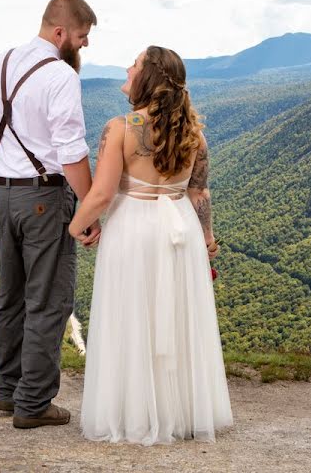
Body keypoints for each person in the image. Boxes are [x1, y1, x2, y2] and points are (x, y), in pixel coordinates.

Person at [71, 45, 234, 445]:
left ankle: (134, 414)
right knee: (176, 319)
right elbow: (199, 193)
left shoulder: (120, 127)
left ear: (149, 77)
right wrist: (208, 239)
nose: (128, 67)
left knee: (131, 315)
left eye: (135, 62)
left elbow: (102, 194)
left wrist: (76, 226)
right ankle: (180, 414)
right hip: (180, 229)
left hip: (133, 227)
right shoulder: (194, 133)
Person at [0, 0, 101, 429]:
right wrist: (88, 209)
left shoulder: (0, 63)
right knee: (48, 300)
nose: (84, 45)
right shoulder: (61, 77)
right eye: (82, 37)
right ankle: (33, 403)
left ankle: (8, 393)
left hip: (1, 194)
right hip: (44, 196)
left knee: (10, 297)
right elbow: (71, 153)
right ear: (61, 31)